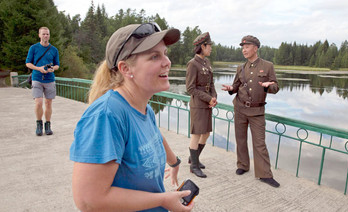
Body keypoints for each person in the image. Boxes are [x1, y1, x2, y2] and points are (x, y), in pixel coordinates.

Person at [70, 23, 194, 212]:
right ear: (126, 69)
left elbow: (153, 136)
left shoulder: (144, 108)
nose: (167, 62)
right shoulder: (106, 116)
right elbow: (88, 200)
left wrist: (174, 162)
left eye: (165, 53)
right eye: (154, 56)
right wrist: (163, 200)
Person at [221, 35, 280, 188]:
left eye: (246, 47)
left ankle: (264, 174)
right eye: (242, 47)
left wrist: (268, 85)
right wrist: (231, 88)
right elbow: (236, 86)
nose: (244, 50)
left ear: (255, 48)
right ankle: (242, 165)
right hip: (240, 108)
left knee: (259, 143)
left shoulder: (268, 66)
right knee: (240, 139)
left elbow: (276, 87)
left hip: (257, 111)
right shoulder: (241, 68)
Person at [186, 32, 217, 178]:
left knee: (206, 133)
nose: (211, 48)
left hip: (207, 104)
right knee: (197, 134)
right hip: (198, 105)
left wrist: (214, 97)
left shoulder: (207, 63)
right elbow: (190, 88)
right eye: (209, 46)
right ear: (202, 46)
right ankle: (194, 166)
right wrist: (207, 98)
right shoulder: (193, 64)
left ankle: (194, 159)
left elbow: (211, 83)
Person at [26, 27, 60, 136]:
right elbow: (28, 63)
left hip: (49, 79)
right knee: (38, 102)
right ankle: (39, 124)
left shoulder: (54, 50)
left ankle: (48, 124)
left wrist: (52, 69)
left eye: (47, 34)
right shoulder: (34, 48)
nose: (46, 36)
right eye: (44, 34)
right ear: (39, 35)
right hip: (37, 78)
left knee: (48, 103)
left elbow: (57, 65)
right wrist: (38, 68)